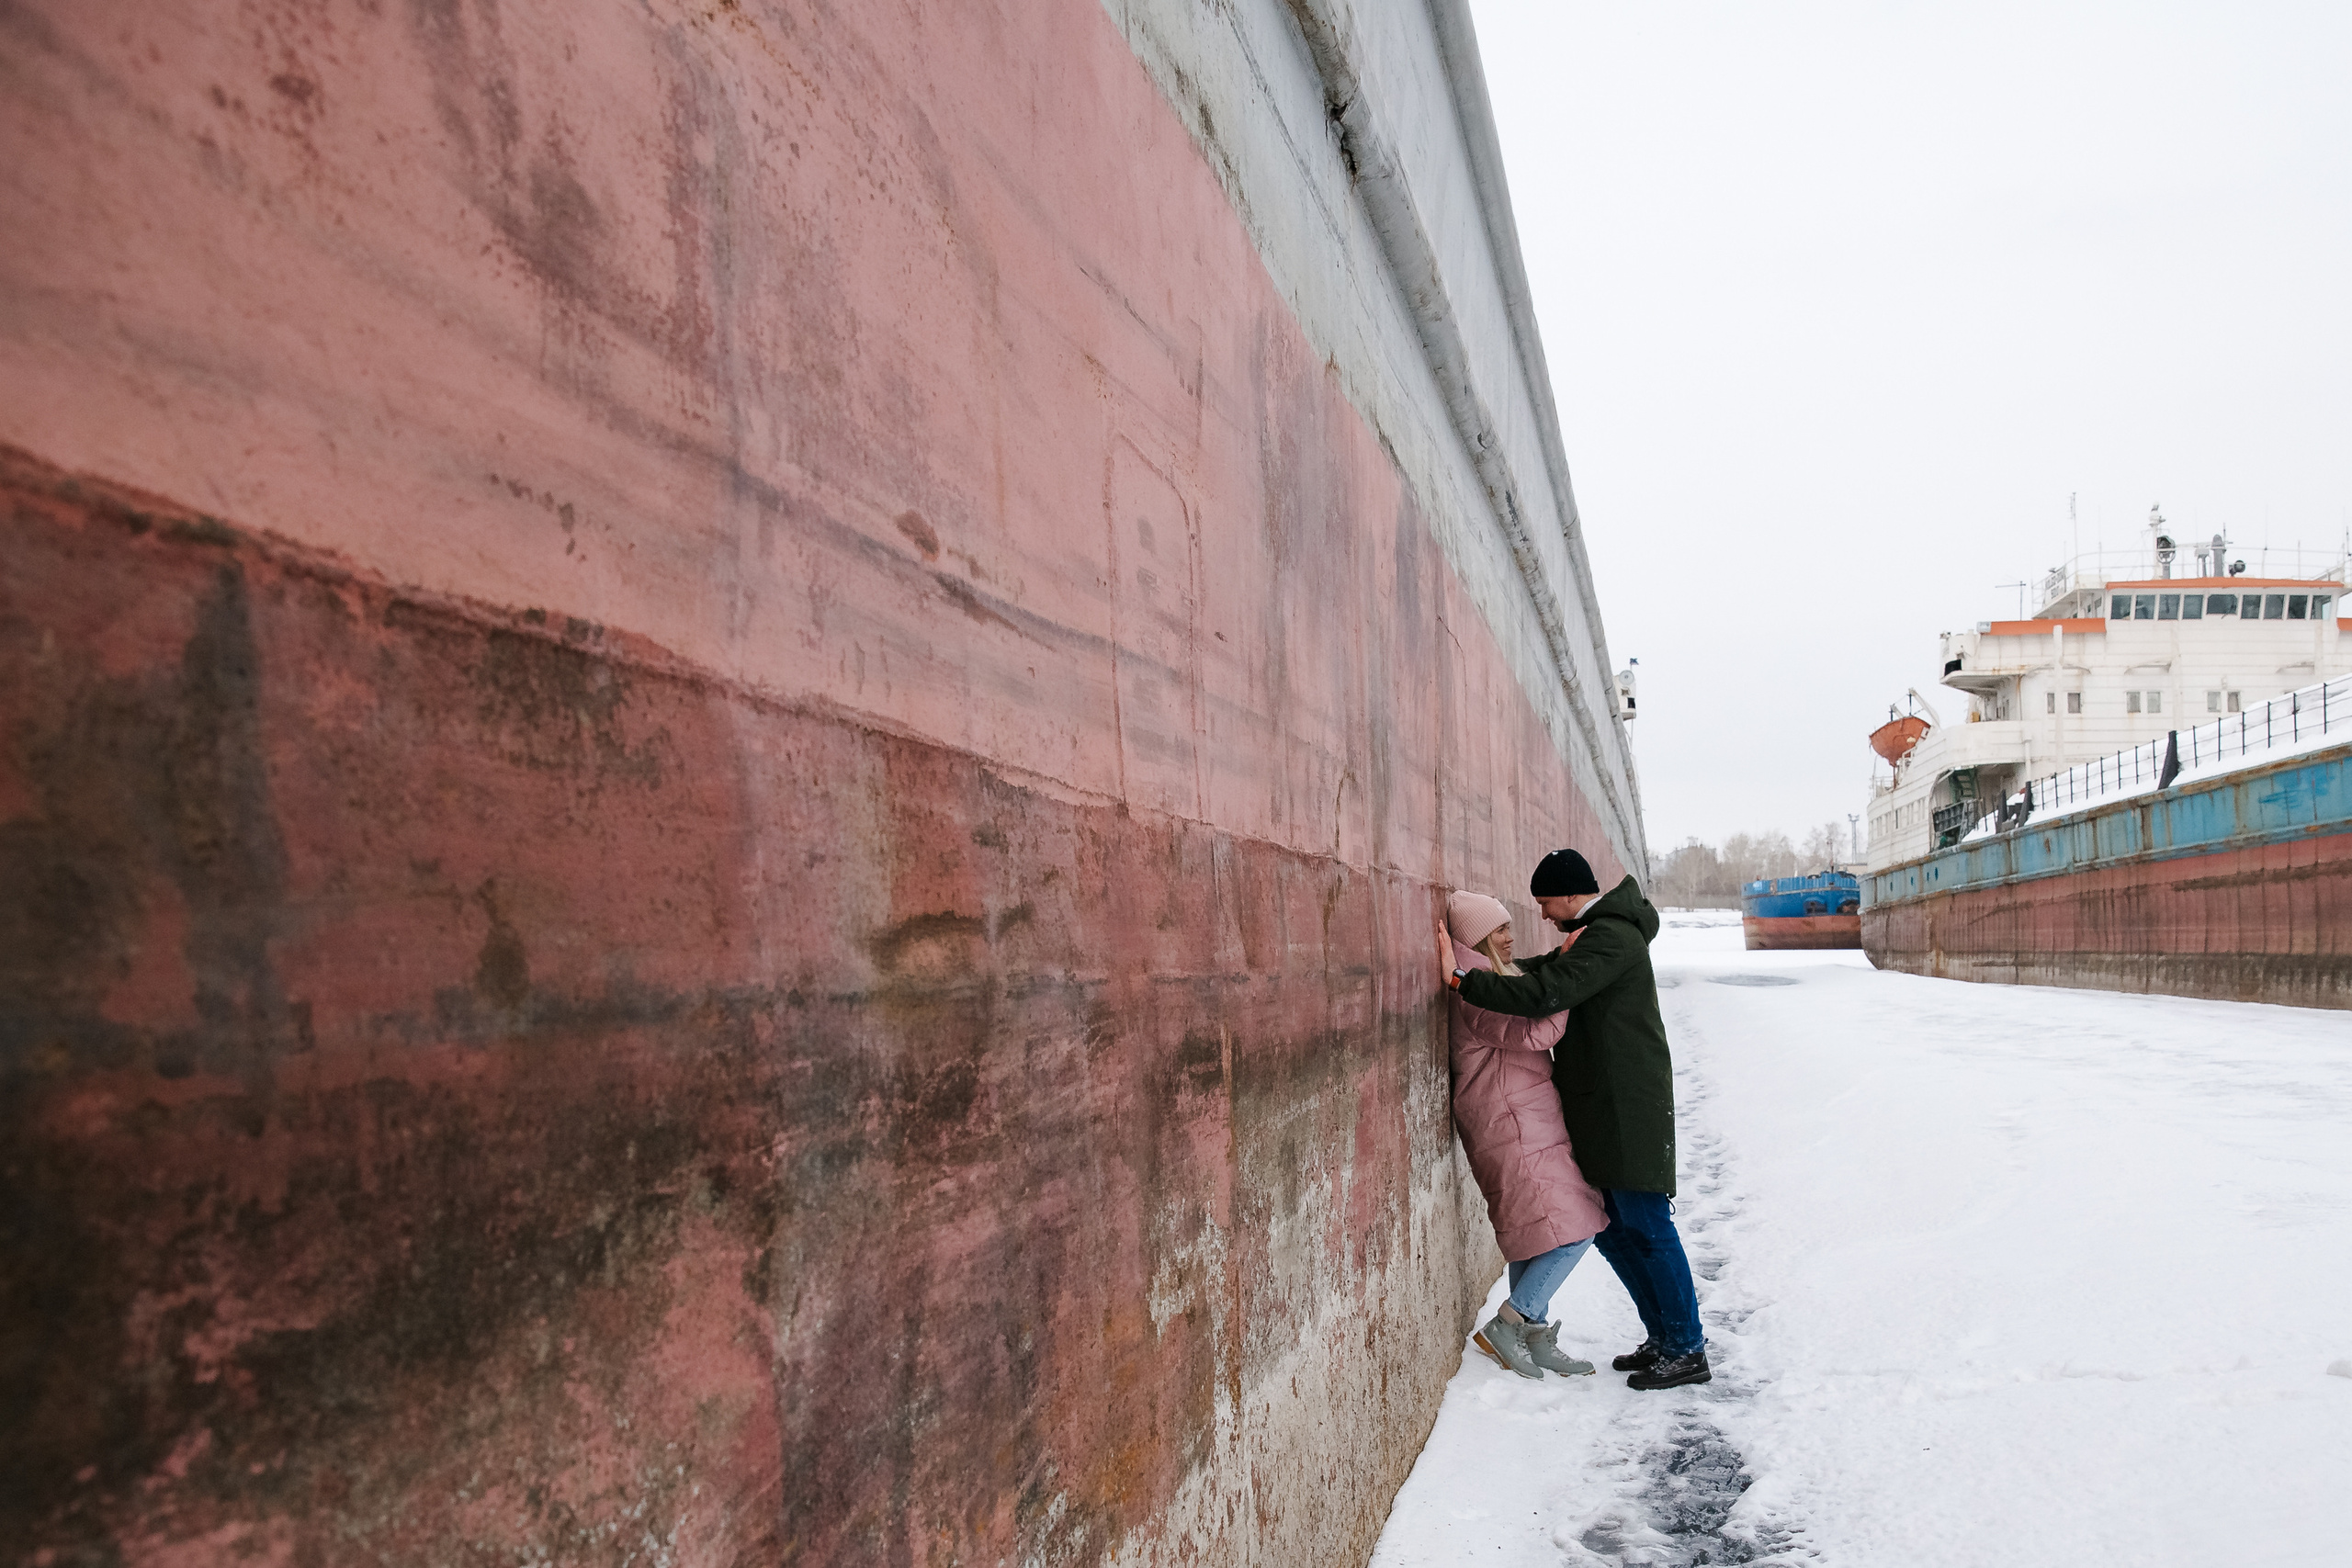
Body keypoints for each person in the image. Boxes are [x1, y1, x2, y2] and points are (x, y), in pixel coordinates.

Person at [1434, 850, 1711, 1391]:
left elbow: (1549, 992)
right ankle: (1662, 1335)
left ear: (1566, 895)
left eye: (1542, 903)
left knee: (1649, 1225)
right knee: (1616, 1231)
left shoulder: (1610, 936)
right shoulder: (1588, 938)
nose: (1540, 915)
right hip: (1600, 1104)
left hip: (1627, 1105)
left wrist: (1463, 981)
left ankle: (1686, 1347)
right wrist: (1482, 970)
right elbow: (1542, 973)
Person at [1442, 892, 1611, 1381]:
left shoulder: (1494, 981)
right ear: (1477, 940)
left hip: (1520, 1117)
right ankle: (1511, 1322)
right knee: (1577, 1227)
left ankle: (1531, 1333)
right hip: (1510, 1122)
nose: (1511, 938)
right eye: (1499, 931)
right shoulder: (1476, 991)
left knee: (1535, 1235)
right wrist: (1565, 988)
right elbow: (1535, 1034)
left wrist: (1555, 965)